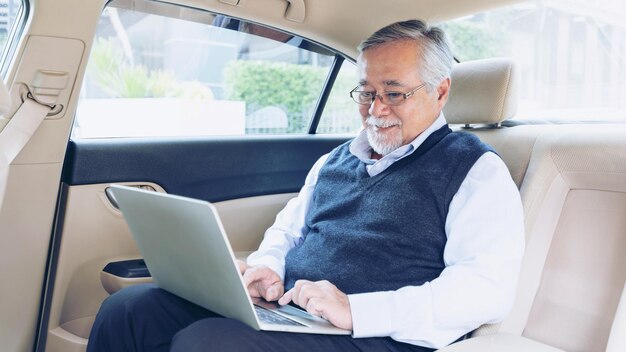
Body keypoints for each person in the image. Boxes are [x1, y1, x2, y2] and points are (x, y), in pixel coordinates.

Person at [87, 19, 524, 352]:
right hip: (294, 314)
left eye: (394, 93)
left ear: (441, 91)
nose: (375, 109)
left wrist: (356, 311)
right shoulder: (335, 160)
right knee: (129, 311)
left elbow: (485, 289)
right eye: (366, 92)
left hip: (379, 335)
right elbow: (287, 233)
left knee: (211, 343)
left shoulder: (474, 169)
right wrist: (268, 267)